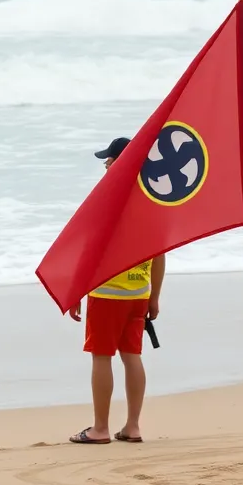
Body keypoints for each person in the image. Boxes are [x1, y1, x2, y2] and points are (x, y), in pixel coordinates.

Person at [68, 137, 166, 445]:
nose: (106, 165)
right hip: (138, 292)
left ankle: (100, 428)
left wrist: (76, 290)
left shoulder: (107, 201)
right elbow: (160, 253)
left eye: (110, 160)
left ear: (121, 163)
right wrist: (154, 296)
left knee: (101, 358)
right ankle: (133, 426)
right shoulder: (151, 202)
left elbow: (90, 250)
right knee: (132, 356)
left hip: (108, 292)